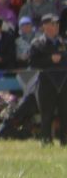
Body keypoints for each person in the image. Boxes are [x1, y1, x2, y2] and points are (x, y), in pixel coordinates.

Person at [32, 13, 65, 145]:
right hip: (46, 81)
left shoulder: (63, 41)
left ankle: (64, 139)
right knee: (47, 113)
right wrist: (49, 60)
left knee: (65, 112)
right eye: (52, 24)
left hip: (63, 81)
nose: (56, 26)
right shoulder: (38, 43)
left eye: (57, 24)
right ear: (45, 26)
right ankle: (46, 139)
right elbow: (33, 62)